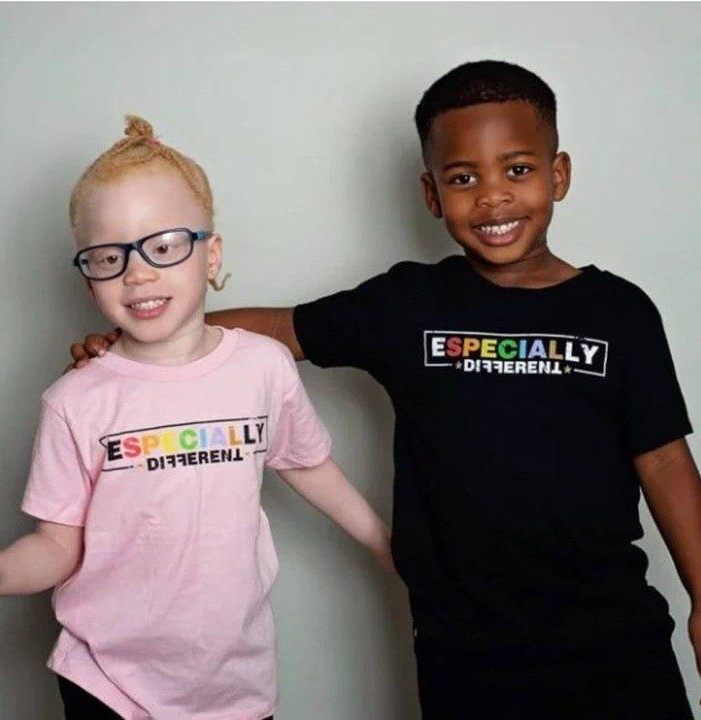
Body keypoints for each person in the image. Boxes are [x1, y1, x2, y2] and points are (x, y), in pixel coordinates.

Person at [69, 61, 700, 719]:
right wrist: (135, 340)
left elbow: (664, 461)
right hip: (466, 652)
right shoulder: (409, 305)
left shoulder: (618, 312)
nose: (492, 197)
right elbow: (280, 329)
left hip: (614, 641)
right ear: (431, 193)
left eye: (517, 170)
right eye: (464, 178)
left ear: (558, 174)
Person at [0, 116, 393, 720]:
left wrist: (388, 545)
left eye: (165, 246)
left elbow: (308, 465)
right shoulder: (75, 400)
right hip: (107, 681)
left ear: (211, 254)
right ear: (88, 277)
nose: (138, 272)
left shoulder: (263, 366)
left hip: (233, 683)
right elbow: (56, 545)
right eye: (108, 256)